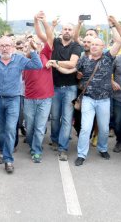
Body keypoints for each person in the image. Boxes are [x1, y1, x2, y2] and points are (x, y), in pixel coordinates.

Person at [53, 16, 121, 166]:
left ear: (102, 46)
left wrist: (113, 25)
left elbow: (118, 41)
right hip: (88, 99)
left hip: (104, 100)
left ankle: (103, 148)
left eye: (97, 45)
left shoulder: (108, 57)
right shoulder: (84, 60)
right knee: (85, 128)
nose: (93, 46)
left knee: (104, 129)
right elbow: (71, 70)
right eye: (92, 44)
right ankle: (81, 154)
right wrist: (57, 66)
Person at [0, 36, 42, 173]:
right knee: (0, 130)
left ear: (12, 47)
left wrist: (34, 51)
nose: (5, 48)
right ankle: (3, 152)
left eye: (7, 45)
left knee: (11, 129)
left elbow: (38, 65)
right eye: (2, 46)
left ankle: (8, 159)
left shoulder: (19, 59)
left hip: (13, 99)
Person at [22, 11, 55, 163]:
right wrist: (30, 49)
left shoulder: (46, 55)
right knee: (30, 127)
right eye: (34, 43)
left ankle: (36, 150)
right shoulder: (25, 59)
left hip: (45, 99)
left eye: (39, 43)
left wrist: (42, 21)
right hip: (29, 98)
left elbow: (50, 36)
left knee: (40, 127)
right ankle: (31, 142)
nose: (37, 44)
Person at [47, 22, 81, 161]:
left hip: (70, 88)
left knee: (67, 119)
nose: (67, 31)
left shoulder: (76, 46)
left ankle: (63, 148)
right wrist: (49, 24)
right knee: (54, 117)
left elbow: (72, 64)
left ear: (73, 32)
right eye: (65, 29)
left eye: (70, 29)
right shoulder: (55, 42)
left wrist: (54, 62)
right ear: (61, 31)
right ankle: (54, 139)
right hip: (54, 86)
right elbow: (47, 35)